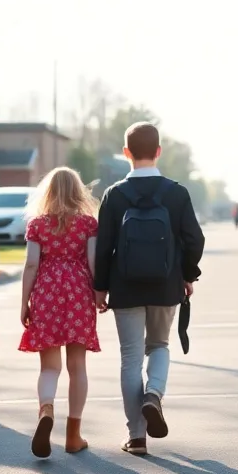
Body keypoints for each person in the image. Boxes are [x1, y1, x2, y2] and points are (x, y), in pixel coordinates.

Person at [94, 122, 205, 457]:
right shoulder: (176, 193)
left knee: (130, 358)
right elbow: (195, 240)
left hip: (125, 288)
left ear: (126, 153)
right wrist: (187, 274)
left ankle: (136, 437)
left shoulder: (114, 195)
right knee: (159, 346)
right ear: (158, 152)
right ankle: (153, 395)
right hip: (165, 284)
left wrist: (100, 287)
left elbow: (103, 246)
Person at [19, 167, 100, 458]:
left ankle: (46, 409)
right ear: (79, 192)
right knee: (77, 366)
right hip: (78, 292)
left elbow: (30, 265)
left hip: (46, 292)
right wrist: (98, 293)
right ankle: (73, 435)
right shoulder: (89, 224)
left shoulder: (37, 225)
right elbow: (92, 261)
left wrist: (25, 302)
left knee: (49, 367)